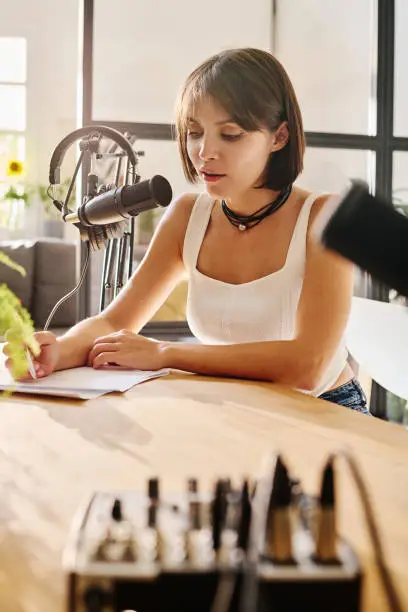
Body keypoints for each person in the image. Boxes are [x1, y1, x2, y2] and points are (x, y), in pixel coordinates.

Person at [3, 47, 368, 413]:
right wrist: (56, 352)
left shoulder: (323, 219)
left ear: (279, 136)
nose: (204, 151)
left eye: (230, 134)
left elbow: (308, 365)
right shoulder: (188, 215)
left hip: (325, 412)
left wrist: (164, 353)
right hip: (235, 408)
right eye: (194, 132)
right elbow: (116, 320)